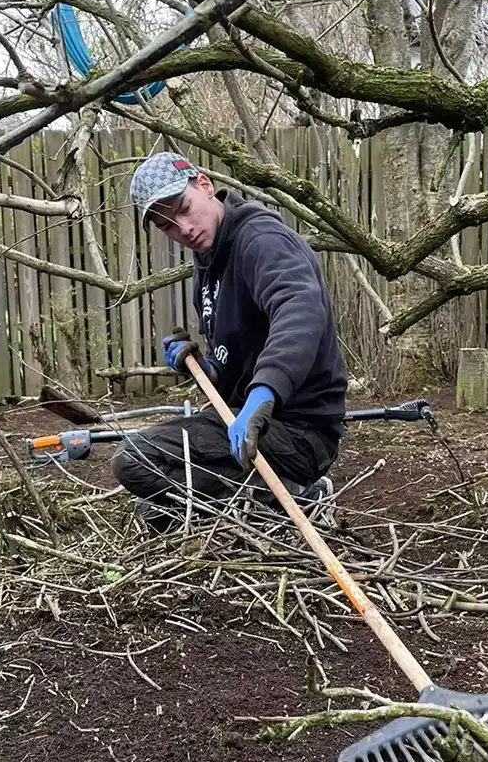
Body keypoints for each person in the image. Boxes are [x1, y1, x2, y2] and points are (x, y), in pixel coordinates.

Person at [112, 152, 347, 531]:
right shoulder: (207, 263)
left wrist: (265, 391)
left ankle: (297, 495)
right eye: (168, 226)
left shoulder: (261, 241)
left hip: (300, 432)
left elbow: (300, 309)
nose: (184, 228)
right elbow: (235, 362)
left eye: (185, 208)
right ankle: (260, 502)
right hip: (248, 424)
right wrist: (207, 370)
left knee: (136, 460)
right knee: (147, 488)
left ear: (204, 185)